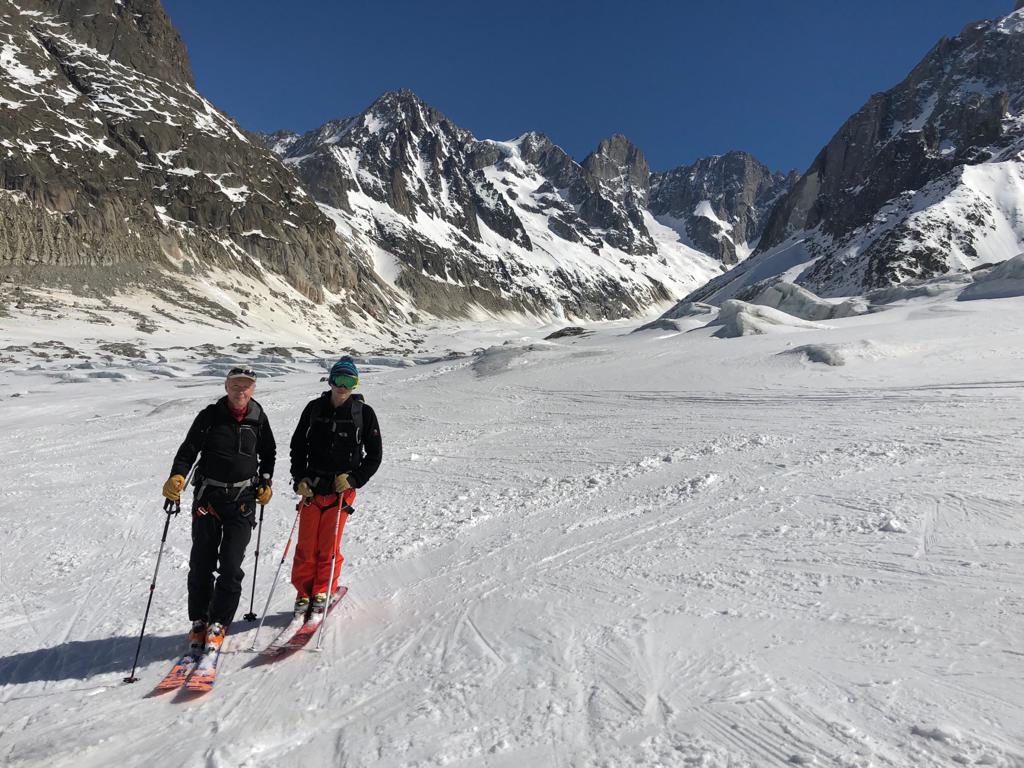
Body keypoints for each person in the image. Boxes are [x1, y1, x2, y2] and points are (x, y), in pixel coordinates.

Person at [161, 365, 276, 656]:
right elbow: (188, 450)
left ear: (253, 389)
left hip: (242, 500)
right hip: (208, 499)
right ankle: (200, 620)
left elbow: (269, 453)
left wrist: (266, 481)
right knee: (201, 563)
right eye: (236, 384)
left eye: (246, 385)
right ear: (226, 387)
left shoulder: (258, 419)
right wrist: (178, 476)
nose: (241, 390)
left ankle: (219, 624)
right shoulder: (209, 416)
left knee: (230, 566)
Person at [289, 356, 382, 616]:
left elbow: (374, 456)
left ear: (355, 384)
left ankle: (322, 589)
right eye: (338, 380)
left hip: (341, 490)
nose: (343, 387)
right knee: (306, 544)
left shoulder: (364, 413)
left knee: (328, 545)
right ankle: (303, 592)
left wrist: (354, 479)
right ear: (330, 381)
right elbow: (298, 447)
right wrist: (300, 478)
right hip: (313, 487)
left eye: (349, 381)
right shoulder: (314, 408)